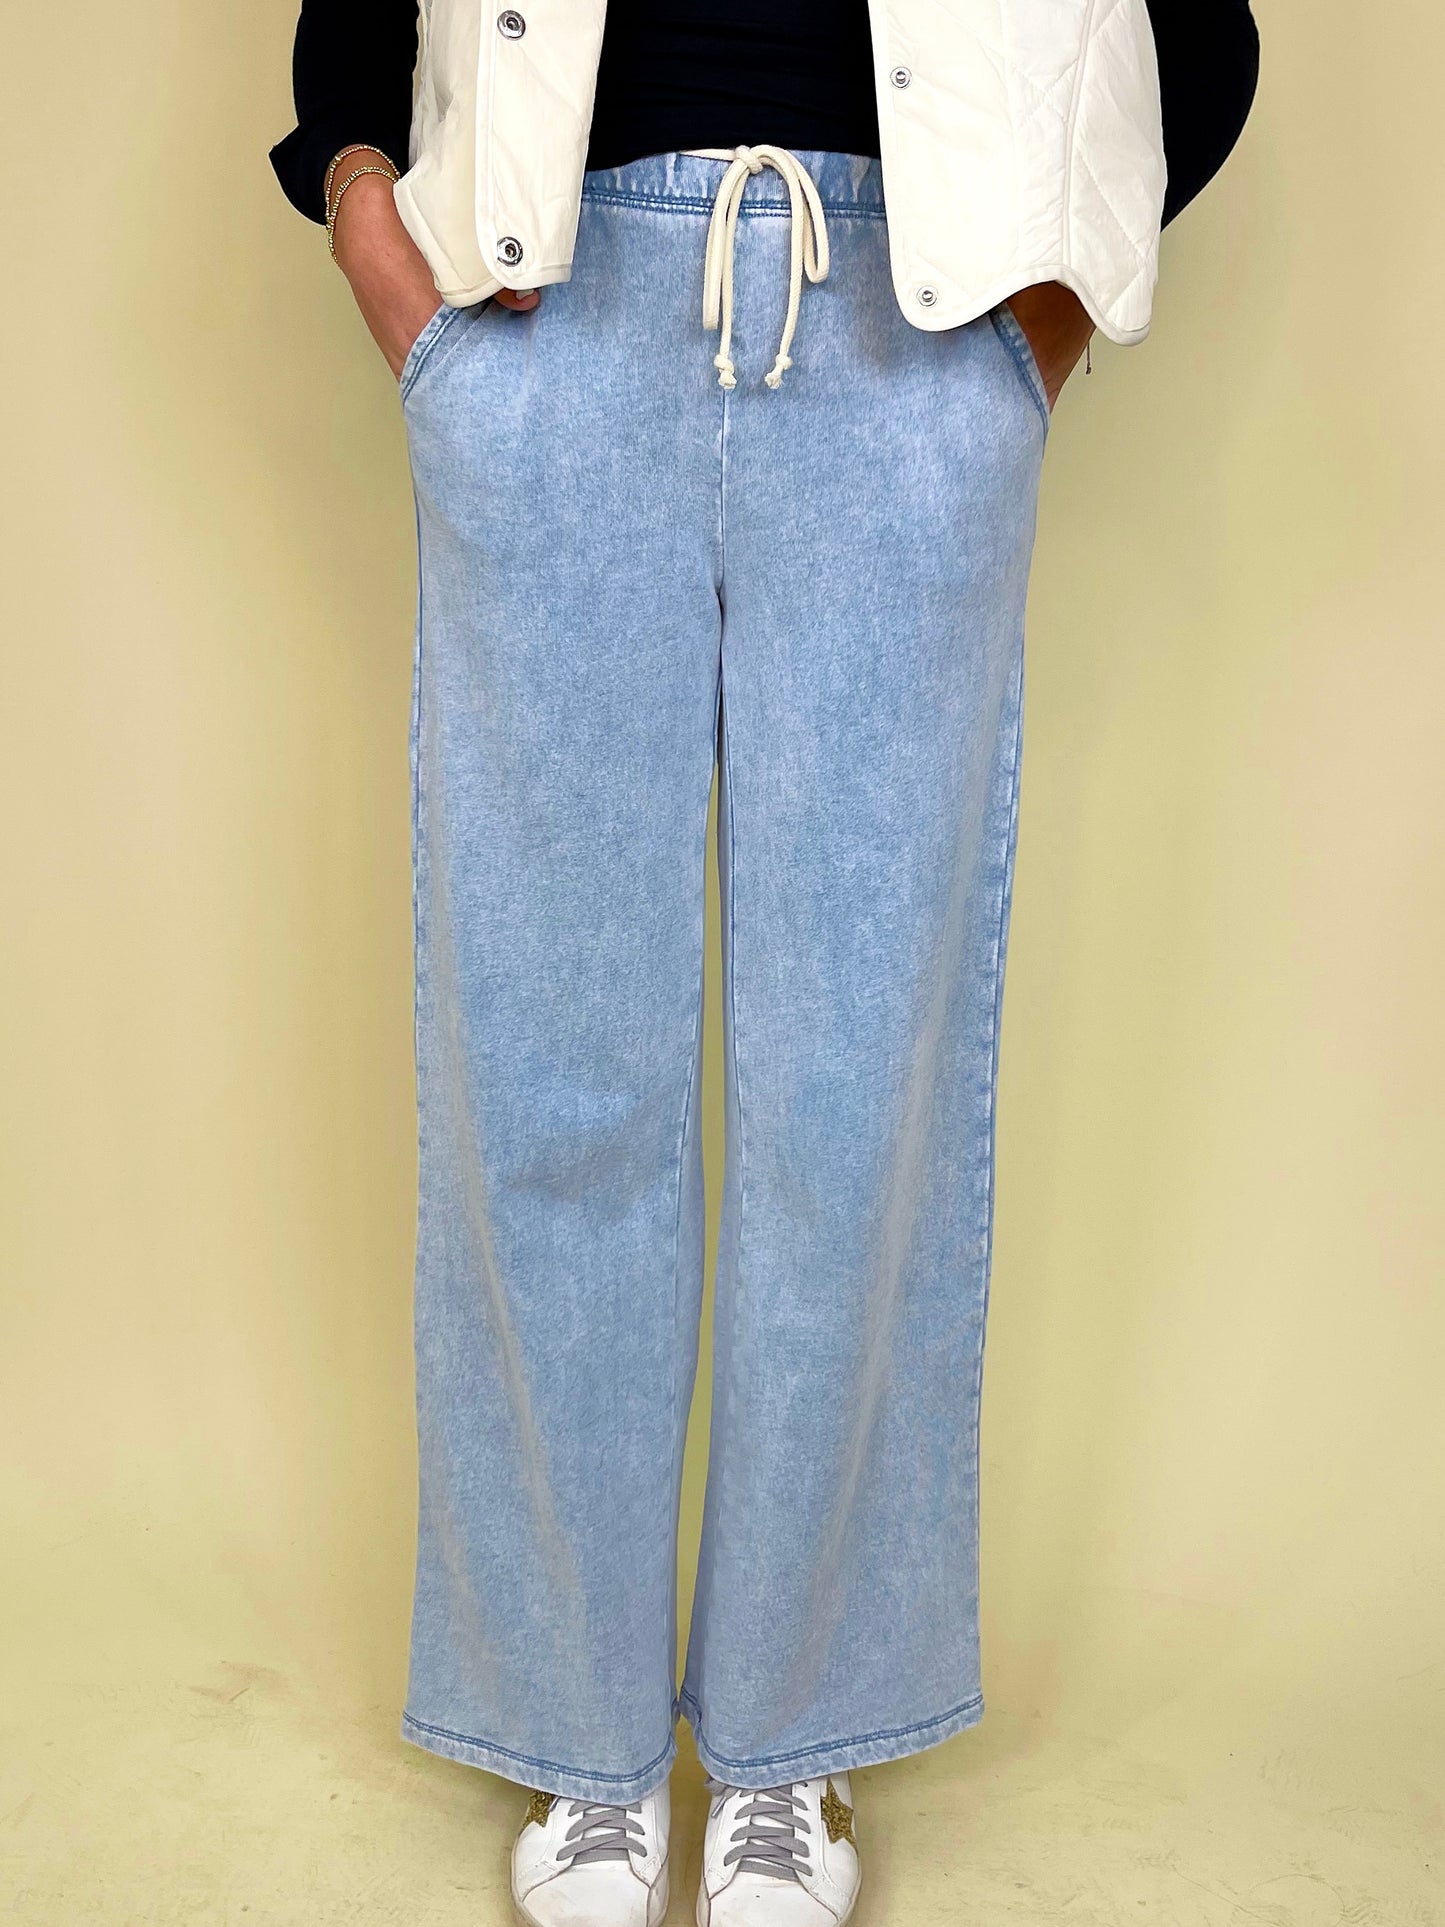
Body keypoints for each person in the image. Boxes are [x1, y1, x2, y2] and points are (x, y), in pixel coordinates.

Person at [271, 6, 1259, 1923]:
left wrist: (1026, 350)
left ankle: (792, 1747)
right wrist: (380, 245)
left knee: (853, 1085)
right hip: (551, 321)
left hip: (908, 331)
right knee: (550, 1073)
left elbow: (1194, 41)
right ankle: (579, 1748)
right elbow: (354, 27)